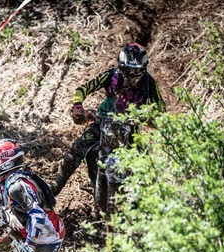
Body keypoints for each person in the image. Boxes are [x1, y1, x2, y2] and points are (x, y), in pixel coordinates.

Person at [50, 42, 166, 195]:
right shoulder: (111, 76)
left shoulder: (149, 83)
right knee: (73, 154)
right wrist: (77, 105)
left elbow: (161, 106)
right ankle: (52, 188)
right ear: (121, 66)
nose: (131, 76)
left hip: (131, 129)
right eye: (127, 70)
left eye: (136, 71)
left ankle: (142, 204)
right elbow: (83, 89)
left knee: (141, 168)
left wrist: (149, 117)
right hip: (102, 122)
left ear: (143, 69)